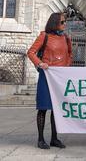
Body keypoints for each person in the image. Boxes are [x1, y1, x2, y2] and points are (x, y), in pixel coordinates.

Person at [27, 12, 72, 149]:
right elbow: (31, 52)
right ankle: (41, 139)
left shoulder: (66, 38)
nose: (65, 24)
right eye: (62, 22)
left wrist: (66, 67)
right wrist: (40, 64)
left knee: (56, 110)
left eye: (65, 22)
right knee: (43, 108)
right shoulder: (44, 36)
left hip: (60, 78)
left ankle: (54, 139)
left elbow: (70, 54)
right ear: (55, 23)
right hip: (46, 77)